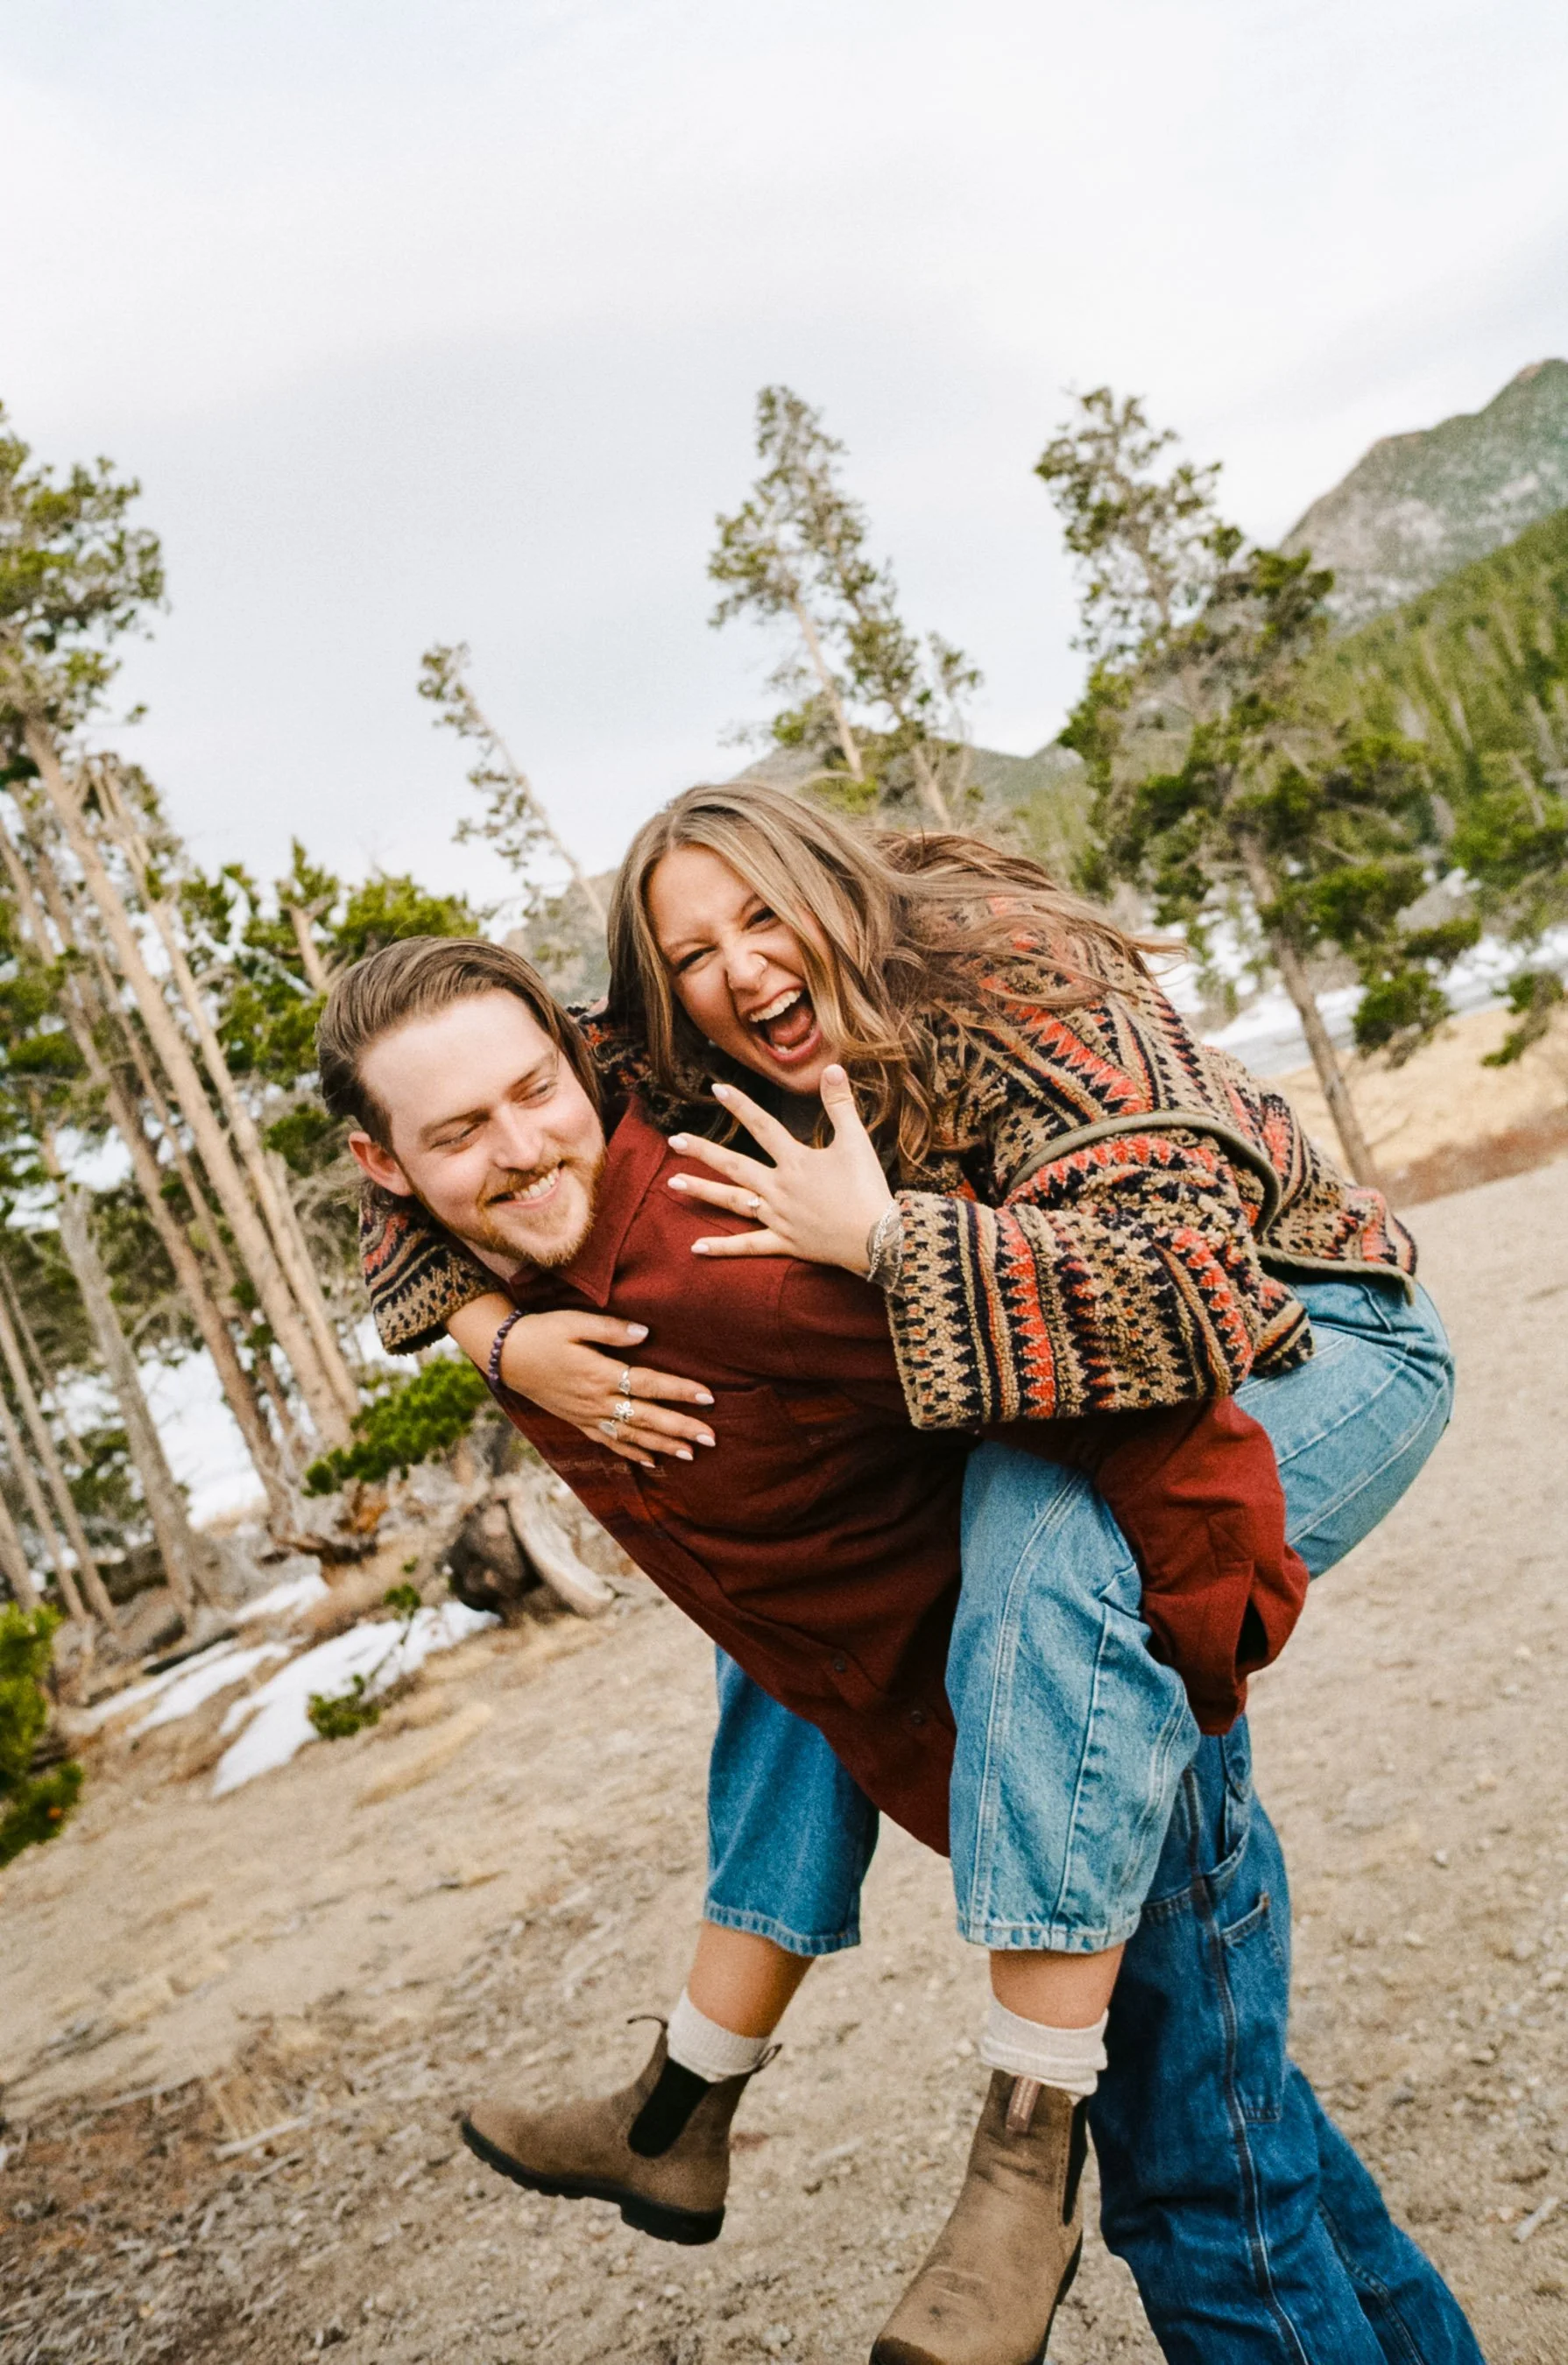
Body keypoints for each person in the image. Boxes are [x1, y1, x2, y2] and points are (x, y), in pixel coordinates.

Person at [328, 844, 1477, 2364]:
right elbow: (451, 1149)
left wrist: (1192, 1639)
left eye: (530, 1098)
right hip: (1014, 1656)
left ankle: (1000, 2152)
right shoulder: (586, 1160)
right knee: (1261, 2158)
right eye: (690, 954)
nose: (520, 1144)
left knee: (1205, 2194)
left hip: (1271, 1339)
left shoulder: (970, 1021)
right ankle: (689, 2091)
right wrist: (489, 1336)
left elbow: (1180, 1350)